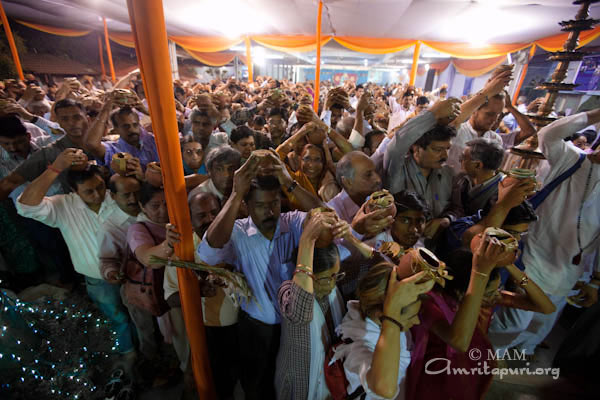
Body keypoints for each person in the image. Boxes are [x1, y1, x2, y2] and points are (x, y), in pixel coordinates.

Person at [198, 155, 322, 400]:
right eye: (260, 205)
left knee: (293, 384)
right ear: (246, 206)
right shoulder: (238, 232)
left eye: (274, 202)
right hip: (256, 331)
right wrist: (235, 194)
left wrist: (289, 182)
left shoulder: (293, 223)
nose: (270, 211)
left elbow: (325, 217)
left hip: (293, 328)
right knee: (257, 386)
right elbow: (208, 253)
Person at [488, 109, 600, 358]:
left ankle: (514, 357)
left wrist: (595, 281)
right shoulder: (573, 159)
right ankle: (481, 362)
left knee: (540, 326)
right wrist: (597, 114)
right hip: (534, 260)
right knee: (513, 323)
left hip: (572, 270)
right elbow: (548, 133)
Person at [16, 158, 136, 355]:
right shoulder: (64, 207)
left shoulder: (117, 198)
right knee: (118, 320)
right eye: (89, 191)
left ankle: (148, 353)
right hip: (98, 282)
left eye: (100, 186)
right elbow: (25, 205)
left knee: (141, 318)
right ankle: (129, 354)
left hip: (133, 276)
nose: (97, 195)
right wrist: (55, 168)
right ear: (73, 190)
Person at [163, 192, 240, 400]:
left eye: (215, 212)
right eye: (202, 215)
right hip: (211, 333)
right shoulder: (183, 250)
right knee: (221, 383)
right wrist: (196, 291)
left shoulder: (238, 236)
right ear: (190, 219)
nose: (210, 220)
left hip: (247, 326)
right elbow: (170, 298)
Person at [275, 210, 351, 400]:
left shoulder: (333, 289)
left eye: (335, 276)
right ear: (310, 275)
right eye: (325, 279)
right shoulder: (288, 292)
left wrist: (351, 235)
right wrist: (307, 241)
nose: (332, 285)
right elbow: (302, 314)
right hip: (300, 382)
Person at [333, 264, 435, 399]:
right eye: (410, 316)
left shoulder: (387, 325)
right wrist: (392, 314)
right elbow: (384, 388)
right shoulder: (358, 345)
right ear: (380, 314)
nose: (416, 322)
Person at [383, 99, 462, 238]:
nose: (444, 155)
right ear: (416, 148)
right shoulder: (398, 169)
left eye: (447, 149)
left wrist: (446, 219)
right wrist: (433, 114)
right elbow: (398, 143)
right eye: (438, 149)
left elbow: (457, 209)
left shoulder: (448, 174)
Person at [122, 183, 178, 373]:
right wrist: (169, 244)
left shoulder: (177, 222)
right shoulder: (138, 229)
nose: (163, 211)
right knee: (149, 336)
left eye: (166, 203)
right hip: (144, 296)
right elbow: (150, 259)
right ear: (142, 206)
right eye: (155, 206)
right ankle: (153, 371)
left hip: (167, 293)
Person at [0, 99, 94, 199]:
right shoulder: (46, 153)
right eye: (6, 144)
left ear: (28, 137)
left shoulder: (46, 144)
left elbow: (60, 132)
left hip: (64, 201)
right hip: (31, 210)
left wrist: (30, 117)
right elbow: (8, 184)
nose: (13, 147)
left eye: (76, 117)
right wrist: (55, 168)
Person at [446, 68, 513, 173]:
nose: (494, 119)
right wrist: (488, 90)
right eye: (489, 114)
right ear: (475, 110)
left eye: (498, 115)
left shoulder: (495, 139)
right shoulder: (456, 131)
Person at [85, 100, 160, 170]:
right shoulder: (113, 150)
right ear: (115, 130)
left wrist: (146, 111)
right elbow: (92, 144)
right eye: (126, 126)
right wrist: (106, 109)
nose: (132, 129)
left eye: (135, 125)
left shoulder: (153, 141)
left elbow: (171, 128)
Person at [451, 138, 505, 217]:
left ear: (478, 165)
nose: (460, 160)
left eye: (463, 158)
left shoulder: (500, 193)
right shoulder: (463, 179)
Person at [327, 151, 383, 225]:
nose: (378, 179)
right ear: (348, 182)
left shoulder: (376, 201)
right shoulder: (332, 214)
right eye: (368, 175)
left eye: (376, 171)